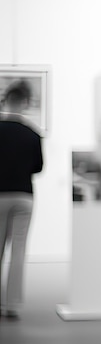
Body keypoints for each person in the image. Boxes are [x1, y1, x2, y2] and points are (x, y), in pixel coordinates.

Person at [0, 80, 44, 319]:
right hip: (24, 197)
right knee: (19, 250)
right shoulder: (33, 134)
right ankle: (12, 305)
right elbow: (38, 167)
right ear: (25, 103)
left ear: (5, 101)